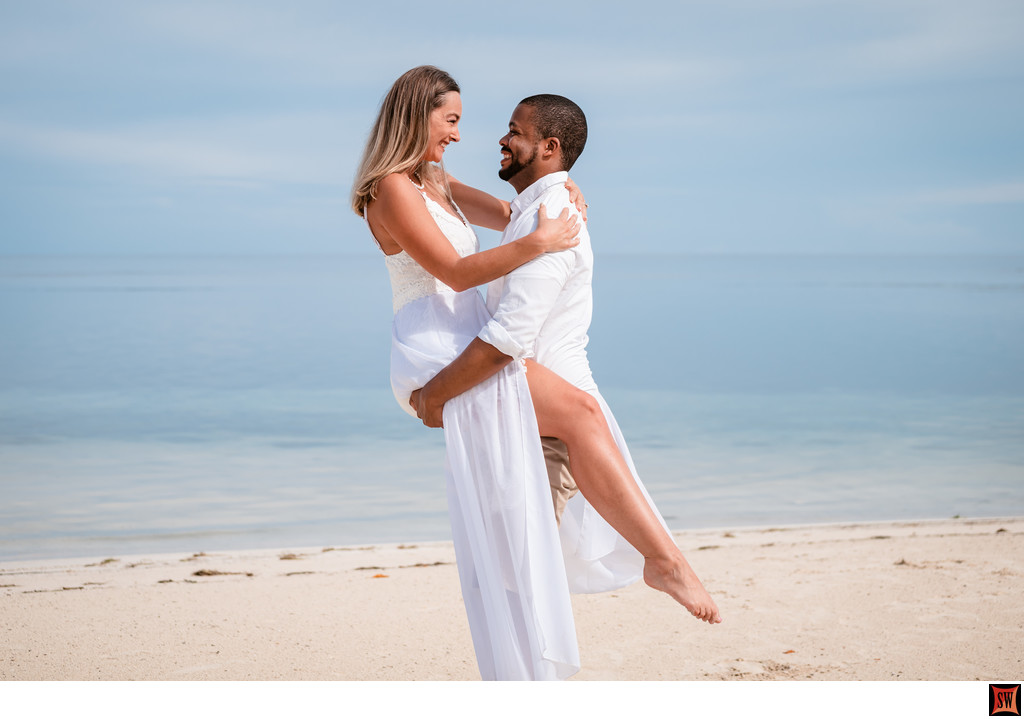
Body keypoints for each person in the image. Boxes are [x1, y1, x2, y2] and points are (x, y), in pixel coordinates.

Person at [410, 94, 722, 625]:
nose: (501, 139)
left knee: (522, 576)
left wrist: (438, 392)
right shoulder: (536, 210)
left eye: (515, 130)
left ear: (549, 147)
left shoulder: (552, 214)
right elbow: (462, 198)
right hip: (534, 399)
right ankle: (661, 562)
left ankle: (664, 562)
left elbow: (511, 334)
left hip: (543, 404)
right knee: (520, 571)